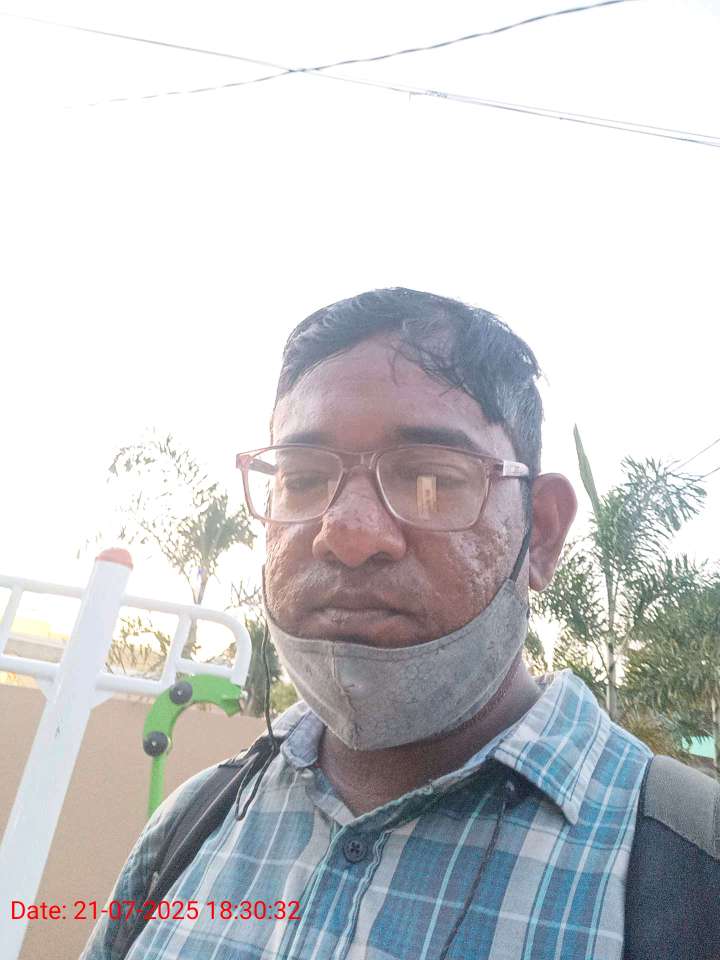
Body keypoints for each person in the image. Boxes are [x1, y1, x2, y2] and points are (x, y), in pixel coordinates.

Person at [81, 288, 662, 959]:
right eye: (302, 478)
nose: (347, 533)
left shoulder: (687, 870)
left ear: (541, 533)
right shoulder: (191, 825)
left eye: (429, 480)